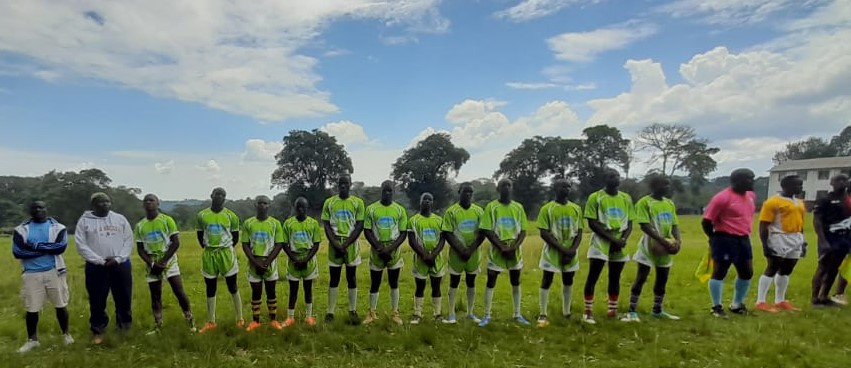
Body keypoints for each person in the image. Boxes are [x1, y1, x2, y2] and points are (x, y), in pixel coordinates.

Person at [13, 200, 74, 353]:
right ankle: (32, 340)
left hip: (54, 271)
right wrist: (46, 248)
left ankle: (66, 334)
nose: (39, 210)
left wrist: (33, 246)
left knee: (60, 304)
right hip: (31, 274)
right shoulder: (21, 230)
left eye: (42, 207)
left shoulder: (59, 228)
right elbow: (18, 252)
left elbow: (60, 248)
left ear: (47, 209)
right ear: (30, 211)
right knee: (32, 308)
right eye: (35, 208)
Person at [75, 192, 134, 344]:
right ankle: (98, 330)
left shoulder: (119, 219)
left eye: (107, 201)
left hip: (120, 264)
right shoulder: (85, 221)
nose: (105, 204)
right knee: (97, 300)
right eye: (101, 202)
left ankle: (124, 327)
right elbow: (81, 245)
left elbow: (128, 240)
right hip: (97, 267)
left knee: (123, 297)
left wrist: (119, 258)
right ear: (93, 205)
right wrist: (100, 261)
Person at [623, 175, 681, 322]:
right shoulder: (644, 202)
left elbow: (674, 225)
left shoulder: (669, 203)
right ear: (654, 186)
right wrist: (662, 241)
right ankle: (632, 310)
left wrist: (678, 241)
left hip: (666, 246)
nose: (667, 187)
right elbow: (644, 226)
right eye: (664, 184)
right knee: (641, 277)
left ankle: (657, 310)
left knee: (662, 278)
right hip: (649, 246)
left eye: (668, 185)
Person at [134, 194, 195, 333]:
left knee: (178, 291)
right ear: (143, 205)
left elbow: (176, 242)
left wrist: (163, 261)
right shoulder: (140, 225)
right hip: (152, 263)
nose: (149, 203)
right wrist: (151, 264)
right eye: (146, 201)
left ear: (158, 203)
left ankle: (190, 320)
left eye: (152, 200)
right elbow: (140, 249)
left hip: (169, 261)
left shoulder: (167, 220)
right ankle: (158, 324)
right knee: (155, 295)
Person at [703, 169, 757, 317]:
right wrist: (713, 238)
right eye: (749, 179)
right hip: (725, 238)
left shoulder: (751, 196)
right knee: (720, 271)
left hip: (744, 238)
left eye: (753, 178)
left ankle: (737, 304)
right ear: (737, 181)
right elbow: (707, 221)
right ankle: (716, 307)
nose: (752, 181)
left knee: (747, 272)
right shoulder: (722, 198)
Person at [582, 169, 634, 324]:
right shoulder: (595, 197)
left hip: (620, 241)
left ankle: (612, 310)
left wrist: (623, 239)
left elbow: (630, 222)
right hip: (601, 240)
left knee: (615, 277)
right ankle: (588, 312)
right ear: (605, 179)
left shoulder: (626, 198)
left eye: (618, 176)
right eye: (612, 176)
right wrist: (611, 239)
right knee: (593, 276)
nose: (616, 179)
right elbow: (592, 222)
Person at [479, 178, 530, 327]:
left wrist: (513, 247)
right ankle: (487, 315)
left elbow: (523, 231)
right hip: (497, 249)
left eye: (509, 185)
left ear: (512, 188)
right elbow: (487, 230)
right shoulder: (492, 207)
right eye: (503, 185)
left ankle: (517, 314)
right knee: (491, 279)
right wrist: (502, 247)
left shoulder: (518, 207)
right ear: (498, 189)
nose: (506, 188)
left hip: (514, 249)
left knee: (515, 280)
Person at [536, 178, 583, 327]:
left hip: (571, 250)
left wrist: (572, 251)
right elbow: (544, 233)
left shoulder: (576, 208)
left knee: (568, 280)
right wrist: (563, 250)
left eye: (569, 187)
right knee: (547, 279)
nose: (567, 189)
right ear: (555, 189)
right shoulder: (547, 209)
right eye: (563, 187)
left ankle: (566, 311)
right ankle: (543, 313)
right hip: (553, 251)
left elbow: (579, 231)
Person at [754, 175, 805, 312]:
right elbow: (763, 225)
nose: (800, 188)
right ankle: (760, 301)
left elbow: (801, 222)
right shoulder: (772, 202)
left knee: (787, 270)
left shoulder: (799, 202)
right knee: (772, 267)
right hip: (779, 237)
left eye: (801, 185)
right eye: (797, 185)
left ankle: (780, 300)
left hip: (795, 238)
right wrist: (765, 245)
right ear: (786, 186)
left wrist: (802, 241)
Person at [196, 187, 243, 332]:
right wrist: (209, 247)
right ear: (211, 196)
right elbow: (200, 235)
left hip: (226, 253)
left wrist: (225, 247)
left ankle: (240, 318)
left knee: (232, 286)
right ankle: (211, 321)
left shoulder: (231, 216)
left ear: (225, 198)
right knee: (210, 287)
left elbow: (235, 237)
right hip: (209, 253)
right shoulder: (202, 215)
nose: (220, 197)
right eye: (217, 194)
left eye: (223, 195)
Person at [322, 174, 366, 325]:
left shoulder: (358, 202)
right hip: (334, 243)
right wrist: (335, 243)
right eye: (340, 183)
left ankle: (352, 310)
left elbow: (359, 225)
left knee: (351, 277)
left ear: (350, 184)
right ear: (337, 185)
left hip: (351, 244)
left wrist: (346, 244)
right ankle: (330, 311)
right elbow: (326, 225)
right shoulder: (329, 202)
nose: (343, 186)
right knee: (334, 278)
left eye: (345, 183)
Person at [363, 180, 408, 325]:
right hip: (377, 250)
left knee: (394, 282)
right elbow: (367, 230)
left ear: (393, 192)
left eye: (390, 191)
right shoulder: (371, 209)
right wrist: (379, 248)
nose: (387, 194)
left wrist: (390, 248)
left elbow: (403, 233)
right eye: (385, 191)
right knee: (375, 282)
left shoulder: (400, 210)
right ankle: (371, 313)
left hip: (393, 251)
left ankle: (395, 313)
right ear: (381, 191)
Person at [442, 182, 486, 324]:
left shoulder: (479, 211)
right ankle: (451, 313)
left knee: (471, 282)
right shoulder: (451, 211)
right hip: (456, 254)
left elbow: (483, 233)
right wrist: (461, 250)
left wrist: (471, 249)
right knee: (454, 282)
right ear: (459, 192)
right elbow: (447, 233)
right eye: (465, 192)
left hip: (473, 254)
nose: (467, 195)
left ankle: (470, 312)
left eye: (470, 192)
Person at [242, 195, 285, 331]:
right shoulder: (248, 223)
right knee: (256, 292)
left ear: (269, 206)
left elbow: (279, 244)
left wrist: (267, 262)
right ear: (255, 205)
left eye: (265, 203)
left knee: (271, 291)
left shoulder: (275, 223)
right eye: (259, 203)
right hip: (254, 262)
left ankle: (273, 320)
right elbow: (245, 244)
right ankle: (255, 321)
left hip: (269, 262)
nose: (262, 206)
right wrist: (255, 262)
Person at [811, 174, 851, 307]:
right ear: (831, 182)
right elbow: (817, 220)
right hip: (829, 237)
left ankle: (824, 296)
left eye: (845, 180)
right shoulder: (825, 199)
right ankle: (815, 298)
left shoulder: (848, 200)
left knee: (834, 268)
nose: (842, 182)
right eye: (838, 180)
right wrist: (822, 241)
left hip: (844, 238)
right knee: (823, 267)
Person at [282, 197, 322, 326]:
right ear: (295, 208)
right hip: (293, 259)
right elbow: (284, 243)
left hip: (308, 259)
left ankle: (309, 316)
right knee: (293, 289)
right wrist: (294, 259)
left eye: (303, 207)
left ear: (307, 208)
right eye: (298, 207)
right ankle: (290, 317)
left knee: (308, 288)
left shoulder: (313, 223)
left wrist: (306, 259)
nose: (300, 209)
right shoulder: (288, 223)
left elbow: (316, 244)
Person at [408, 192, 446, 324]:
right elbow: (412, 240)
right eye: (425, 199)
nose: (427, 202)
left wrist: (433, 254)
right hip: (420, 259)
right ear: (420, 201)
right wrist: (423, 254)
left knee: (436, 287)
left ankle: (437, 314)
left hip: (436, 258)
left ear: (433, 202)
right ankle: (417, 314)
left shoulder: (439, 220)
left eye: (430, 200)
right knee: (420, 286)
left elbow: (442, 240)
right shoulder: (413, 220)